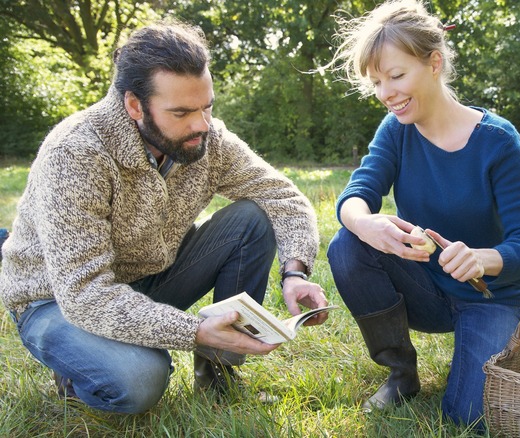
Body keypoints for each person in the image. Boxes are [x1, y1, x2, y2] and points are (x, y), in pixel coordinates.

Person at [0, 20, 329, 414]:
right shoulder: (75, 153)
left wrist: (295, 271)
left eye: (207, 107)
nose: (202, 125)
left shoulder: (207, 137)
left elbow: (282, 196)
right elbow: (84, 292)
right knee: (142, 381)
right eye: (182, 112)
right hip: (56, 301)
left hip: (149, 277)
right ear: (134, 105)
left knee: (251, 218)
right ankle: (80, 372)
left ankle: (218, 376)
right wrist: (194, 331)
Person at [325, 0, 520, 429]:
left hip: (491, 297)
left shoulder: (498, 141)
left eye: (396, 75)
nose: (385, 93)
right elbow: (357, 194)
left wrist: (483, 258)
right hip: (426, 288)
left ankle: (493, 351)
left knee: (469, 418)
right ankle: (401, 373)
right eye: (376, 82)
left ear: (434, 63)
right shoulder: (396, 130)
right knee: (348, 243)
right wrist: (363, 221)